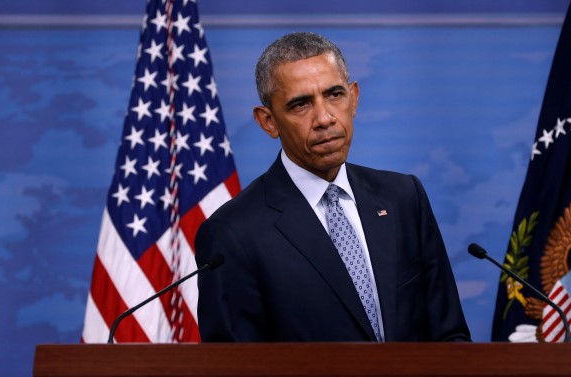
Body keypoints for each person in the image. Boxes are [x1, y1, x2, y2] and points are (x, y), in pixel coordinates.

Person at [194, 31, 470, 342]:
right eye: (301, 104)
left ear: (354, 98)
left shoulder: (403, 198)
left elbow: (450, 337)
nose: (324, 118)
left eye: (334, 95)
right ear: (268, 121)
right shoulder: (232, 233)